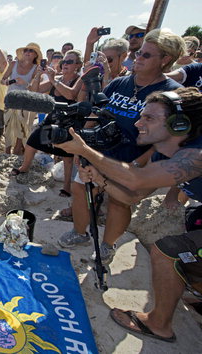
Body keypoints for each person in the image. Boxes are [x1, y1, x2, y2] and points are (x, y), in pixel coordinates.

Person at [55, 87, 202, 343]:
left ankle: (159, 325)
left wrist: (86, 150)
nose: (138, 123)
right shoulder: (163, 149)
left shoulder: (196, 154)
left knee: (167, 251)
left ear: (179, 124)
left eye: (149, 118)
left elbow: (135, 179)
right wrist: (101, 180)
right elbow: (132, 197)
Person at [56, 28, 186, 265]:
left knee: (119, 202)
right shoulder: (119, 84)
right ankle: (80, 232)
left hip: (132, 159)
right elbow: (96, 111)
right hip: (98, 152)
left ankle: (107, 246)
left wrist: (138, 164)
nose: (138, 57)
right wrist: (82, 144)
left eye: (146, 55)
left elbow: (166, 141)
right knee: (80, 190)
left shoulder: (172, 93)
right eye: (139, 53)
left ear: (165, 59)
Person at [14, 50, 84, 197]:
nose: (65, 64)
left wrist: (53, 80)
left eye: (70, 62)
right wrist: (39, 75)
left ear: (77, 65)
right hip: (52, 118)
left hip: (69, 121)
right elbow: (34, 91)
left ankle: (66, 187)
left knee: (67, 155)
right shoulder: (56, 78)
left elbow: (71, 94)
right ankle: (24, 167)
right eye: (64, 61)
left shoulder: (79, 79)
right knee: (32, 141)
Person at [2, 42, 42, 155]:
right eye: (26, 50)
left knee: (21, 130)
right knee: (8, 127)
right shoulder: (13, 63)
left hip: (25, 102)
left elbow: (34, 89)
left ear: (35, 55)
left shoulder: (36, 69)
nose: (28, 53)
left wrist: (24, 83)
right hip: (10, 100)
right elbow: (2, 80)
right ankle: (7, 153)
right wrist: (6, 82)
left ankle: (17, 153)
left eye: (31, 51)